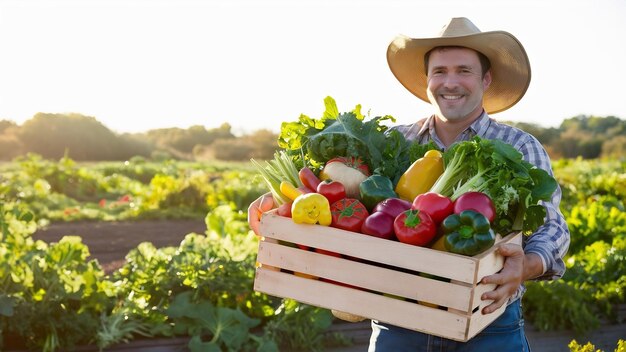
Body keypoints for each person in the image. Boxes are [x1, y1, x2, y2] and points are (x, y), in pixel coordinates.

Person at [248, 17, 570, 351]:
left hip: (488, 323)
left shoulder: (520, 146)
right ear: (427, 79)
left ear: (486, 79)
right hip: (398, 321)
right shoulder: (394, 141)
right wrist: (282, 201)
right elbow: (333, 191)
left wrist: (526, 265)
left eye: (464, 70)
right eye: (440, 71)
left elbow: (553, 228)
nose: (451, 82)